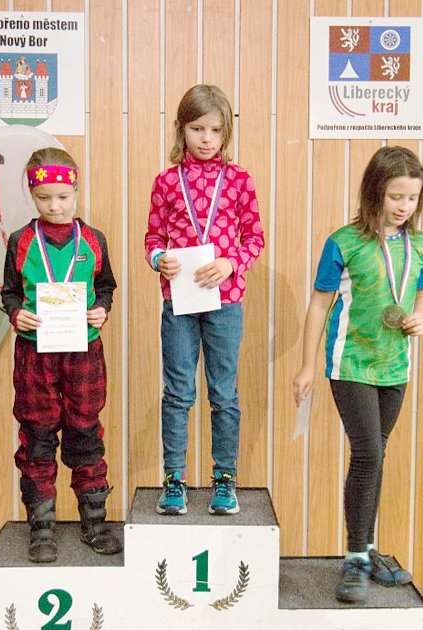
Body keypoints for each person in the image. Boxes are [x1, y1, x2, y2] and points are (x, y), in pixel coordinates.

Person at [293, 146, 423, 602]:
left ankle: (368, 549)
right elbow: (319, 304)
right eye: (395, 196)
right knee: (368, 454)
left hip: (395, 366)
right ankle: (355, 556)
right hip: (348, 362)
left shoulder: (422, 245)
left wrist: (419, 318)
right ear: (375, 192)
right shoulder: (344, 241)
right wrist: (308, 364)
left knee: (377, 455)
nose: (403, 206)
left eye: (412, 199)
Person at [144, 84, 264, 516]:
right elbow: (153, 237)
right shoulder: (166, 181)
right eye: (197, 128)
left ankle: (224, 479)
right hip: (179, 302)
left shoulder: (239, 180)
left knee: (223, 393)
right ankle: (174, 478)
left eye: (215, 129)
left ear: (226, 132)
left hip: (226, 300)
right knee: (177, 392)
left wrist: (232, 263)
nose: (206, 138)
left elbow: (254, 237)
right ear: (182, 128)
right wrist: (158, 258)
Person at [1, 147, 121, 562]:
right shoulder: (20, 241)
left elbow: (106, 285)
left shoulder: (93, 240)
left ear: (75, 191)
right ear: (32, 196)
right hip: (36, 355)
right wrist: (17, 314)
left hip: (83, 351)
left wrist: (102, 308)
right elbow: (9, 292)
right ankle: (42, 528)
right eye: (45, 197)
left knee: (86, 431)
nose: (55, 205)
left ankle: (94, 522)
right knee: (37, 436)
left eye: (63, 197)